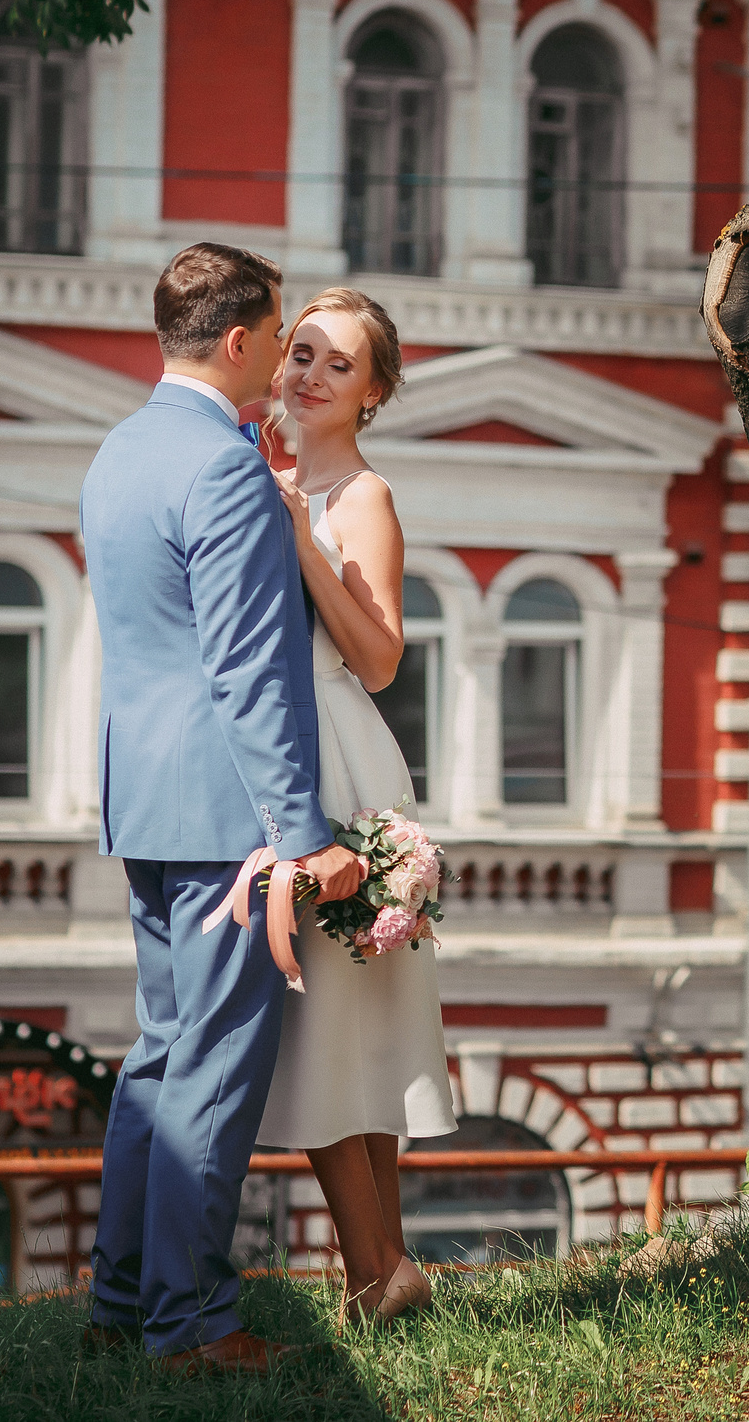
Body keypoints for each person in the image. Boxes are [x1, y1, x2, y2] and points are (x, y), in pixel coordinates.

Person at [80, 243, 360, 1375]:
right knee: (213, 1069)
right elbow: (251, 670)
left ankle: (120, 1300)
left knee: (158, 1060)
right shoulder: (227, 469)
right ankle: (190, 1328)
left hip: (141, 801)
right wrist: (304, 838)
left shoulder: (119, 453)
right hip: (224, 819)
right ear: (240, 341)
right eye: (278, 333)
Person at [252, 285, 457, 1324]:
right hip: (296, 750)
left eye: (340, 364)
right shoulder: (271, 478)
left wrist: (299, 538)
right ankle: (382, 1274)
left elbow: (379, 659)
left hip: (341, 761)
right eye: (301, 353)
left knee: (335, 1027)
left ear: (373, 391)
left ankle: (377, 1275)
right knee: (340, 1031)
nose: (311, 375)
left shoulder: (360, 498)